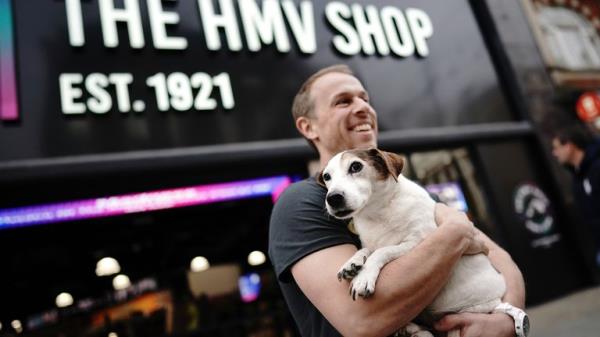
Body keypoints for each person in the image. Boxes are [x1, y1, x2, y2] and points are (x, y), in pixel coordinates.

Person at [268, 65, 526, 337]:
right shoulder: (301, 203)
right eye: (343, 101)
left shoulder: (414, 194)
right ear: (308, 127)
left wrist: (509, 318)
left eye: (365, 99)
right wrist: (455, 233)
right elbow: (363, 320)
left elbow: (500, 258)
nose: (362, 107)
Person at [552, 125, 600, 267]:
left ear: (569, 146)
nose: (554, 153)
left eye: (556, 147)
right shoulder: (577, 178)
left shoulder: (596, 169)